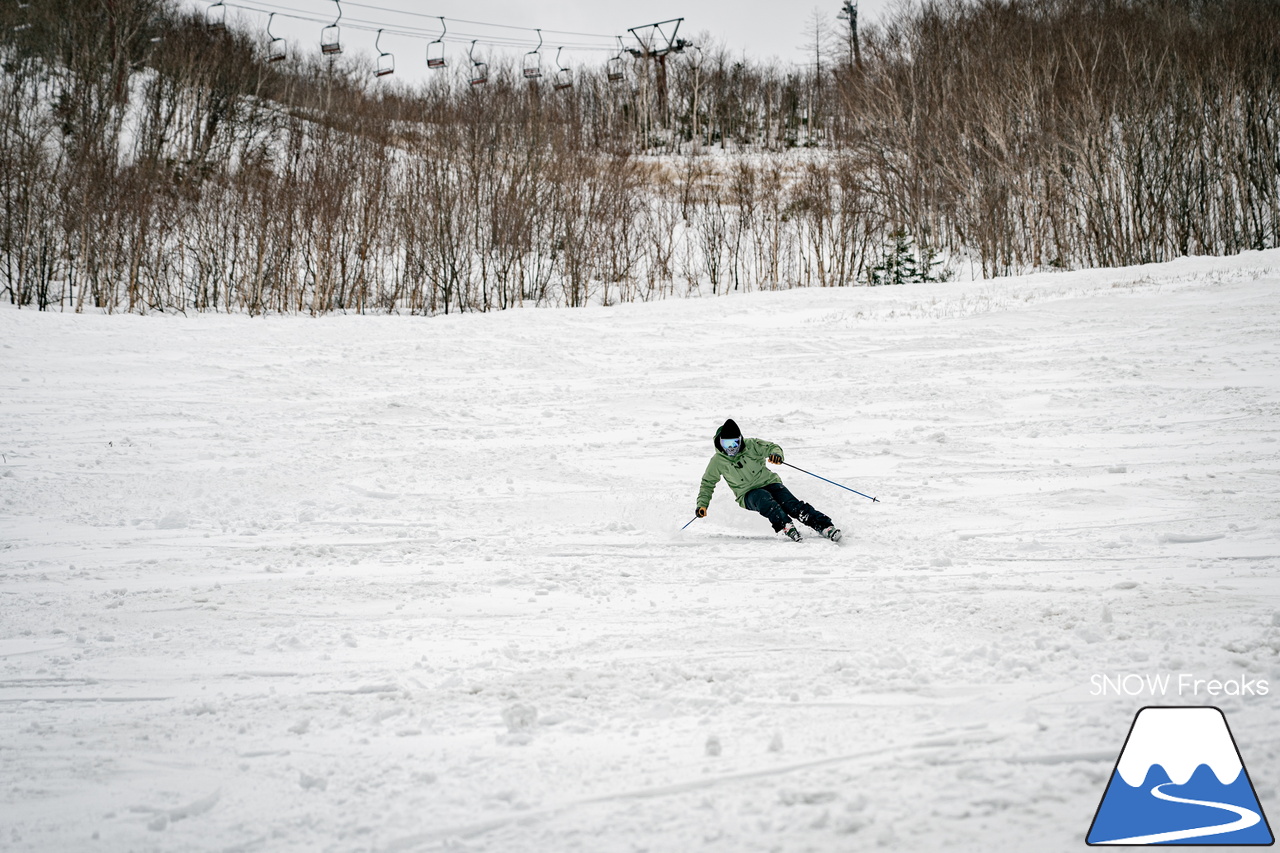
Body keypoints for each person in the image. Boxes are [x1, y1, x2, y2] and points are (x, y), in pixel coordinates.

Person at [695, 418, 842, 542]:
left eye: (735, 443)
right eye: (727, 444)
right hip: (747, 494)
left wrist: (776, 455)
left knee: (792, 505)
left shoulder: (751, 445)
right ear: (720, 443)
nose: (732, 448)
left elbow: (772, 447)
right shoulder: (717, 461)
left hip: (770, 482)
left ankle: (824, 526)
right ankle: (785, 525)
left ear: (740, 440)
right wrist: (702, 505)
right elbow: (707, 483)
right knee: (763, 498)